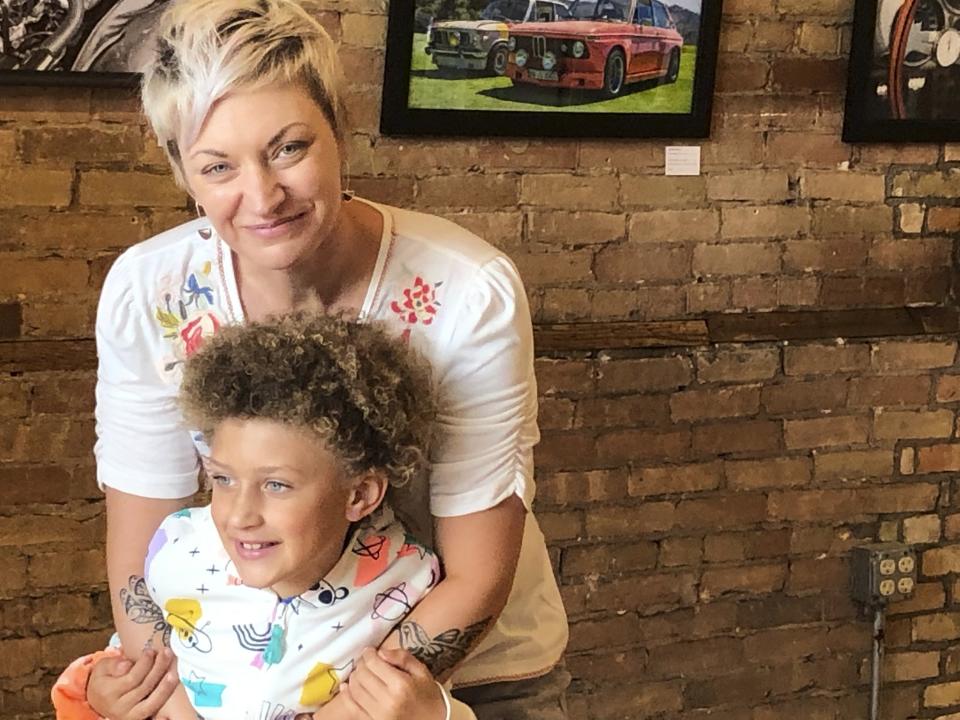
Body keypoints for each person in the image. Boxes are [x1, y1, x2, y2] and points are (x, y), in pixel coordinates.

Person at [82, 0, 569, 718]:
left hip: (464, 672)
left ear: (339, 130)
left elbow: (474, 572)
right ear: (183, 171)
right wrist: (178, 705)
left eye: (288, 148)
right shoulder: (148, 291)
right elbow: (140, 552)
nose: (262, 197)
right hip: (239, 675)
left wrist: (344, 714)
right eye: (218, 166)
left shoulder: (468, 290)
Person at [55, 312, 464, 719]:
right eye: (224, 479)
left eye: (276, 485)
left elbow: (420, 703)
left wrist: (436, 714)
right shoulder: (180, 554)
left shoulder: (406, 585)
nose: (240, 516)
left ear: (360, 494)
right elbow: (124, 666)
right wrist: (94, 692)